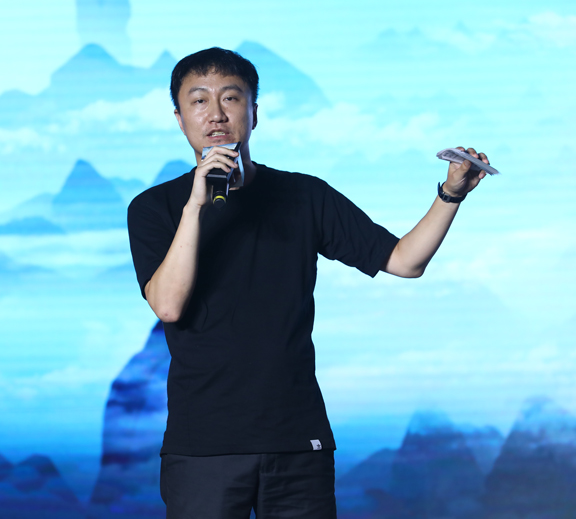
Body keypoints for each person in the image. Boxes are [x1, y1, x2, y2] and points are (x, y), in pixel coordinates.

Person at [127, 47, 488, 519]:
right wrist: (196, 204)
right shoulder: (153, 207)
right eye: (199, 101)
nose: (216, 114)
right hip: (203, 446)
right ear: (179, 118)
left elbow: (404, 261)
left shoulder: (303, 195)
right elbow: (168, 306)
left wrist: (450, 195)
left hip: (297, 441)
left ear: (254, 112)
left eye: (231, 98)